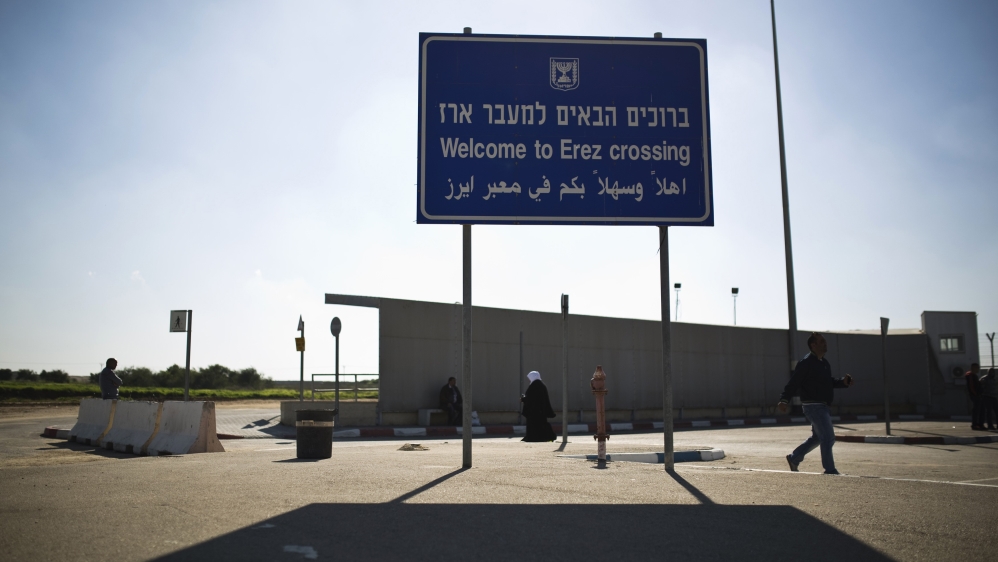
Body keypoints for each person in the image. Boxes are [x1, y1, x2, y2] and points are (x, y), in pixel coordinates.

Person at [777, 333, 854, 475]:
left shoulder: (824, 363)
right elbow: (794, 382)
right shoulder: (806, 362)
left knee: (818, 437)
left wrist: (843, 382)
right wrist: (784, 399)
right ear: (813, 345)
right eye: (822, 341)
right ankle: (830, 470)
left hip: (822, 405)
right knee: (828, 437)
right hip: (813, 406)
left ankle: (794, 458)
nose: (825, 343)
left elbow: (828, 382)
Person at [520, 371, 556, 442]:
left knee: (534, 425)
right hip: (541, 411)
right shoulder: (541, 385)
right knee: (541, 424)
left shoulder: (534, 386)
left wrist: (523, 399)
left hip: (534, 411)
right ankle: (544, 437)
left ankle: (534, 437)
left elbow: (531, 398)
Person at [965, 363, 985, 430]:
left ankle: (980, 424)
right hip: (975, 395)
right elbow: (971, 386)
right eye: (977, 368)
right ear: (973, 368)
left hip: (977, 395)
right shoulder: (971, 375)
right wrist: (976, 394)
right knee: (976, 410)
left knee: (981, 410)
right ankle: (975, 424)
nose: (978, 369)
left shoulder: (974, 376)